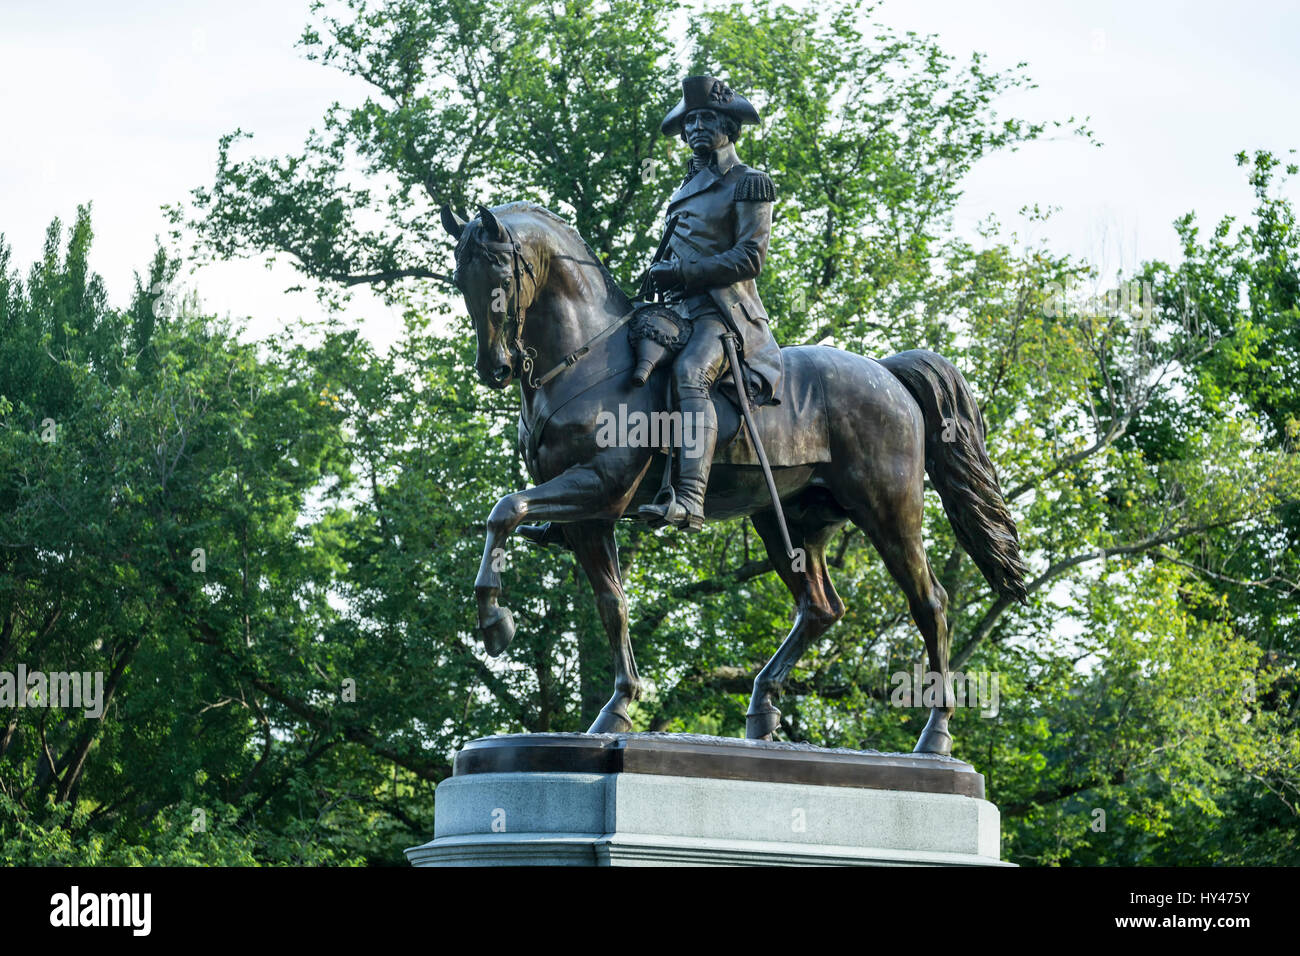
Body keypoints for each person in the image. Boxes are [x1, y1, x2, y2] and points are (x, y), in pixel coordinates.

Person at [638, 75, 783, 532]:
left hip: (724, 316)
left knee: (689, 374)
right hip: (677, 312)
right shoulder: (682, 191)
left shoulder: (749, 183)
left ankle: (689, 500)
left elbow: (749, 257)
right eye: (692, 120)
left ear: (728, 126)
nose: (697, 127)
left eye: (708, 119)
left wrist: (681, 273)